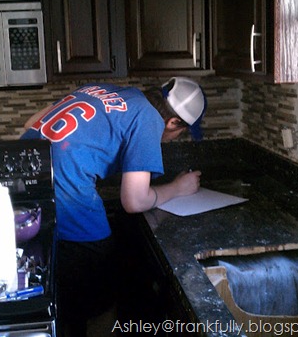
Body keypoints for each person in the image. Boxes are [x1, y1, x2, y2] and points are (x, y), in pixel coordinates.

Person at [20, 77, 207, 337]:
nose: (173, 139)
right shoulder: (149, 118)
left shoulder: (107, 92)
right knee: (101, 301)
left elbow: (31, 124)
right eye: (180, 133)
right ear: (173, 122)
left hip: (25, 190)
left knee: (62, 300)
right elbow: (134, 201)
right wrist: (179, 187)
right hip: (67, 195)